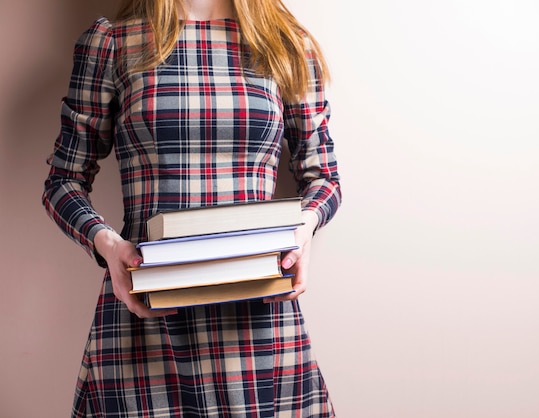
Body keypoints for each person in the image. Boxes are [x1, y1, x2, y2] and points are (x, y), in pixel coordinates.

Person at [42, 0, 341, 416]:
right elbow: (63, 182)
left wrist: (301, 233)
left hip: (256, 318)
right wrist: (109, 247)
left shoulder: (287, 45)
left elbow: (323, 177)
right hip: (145, 312)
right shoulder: (112, 43)